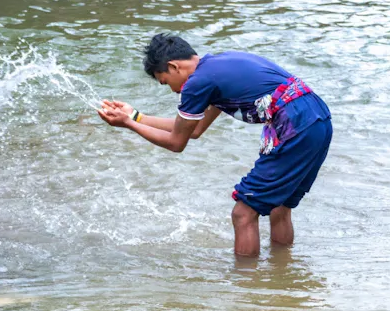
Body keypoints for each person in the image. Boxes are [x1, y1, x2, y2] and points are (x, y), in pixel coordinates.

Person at [98, 33, 332, 257]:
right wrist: (137, 116)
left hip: (293, 124)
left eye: (165, 82)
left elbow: (176, 143)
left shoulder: (197, 83)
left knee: (243, 213)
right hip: (317, 118)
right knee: (279, 206)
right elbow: (195, 130)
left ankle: (246, 287)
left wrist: (128, 124)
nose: (172, 89)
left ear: (173, 67)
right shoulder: (220, 65)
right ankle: (282, 272)